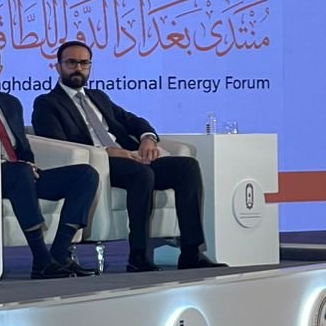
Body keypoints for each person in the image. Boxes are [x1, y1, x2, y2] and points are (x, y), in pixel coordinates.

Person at [31, 40, 223, 272]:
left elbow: (133, 121)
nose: (78, 68)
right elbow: (58, 143)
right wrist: (107, 152)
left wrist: (147, 138)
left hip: (129, 156)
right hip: (99, 163)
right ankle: (138, 255)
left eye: (84, 63)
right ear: (58, 66)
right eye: (71, 63)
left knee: (187, 167)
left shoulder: (98, 97)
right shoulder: (47, 103)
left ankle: (191, 252)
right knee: (142, 174)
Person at [0, 39, 99, 278]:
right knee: (20, 171)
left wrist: (29, 164)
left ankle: (59, 254)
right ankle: (41, 259)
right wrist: (18, 166)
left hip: (21, 174)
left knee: (86, 174)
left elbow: (22, 146)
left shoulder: (11, 104)